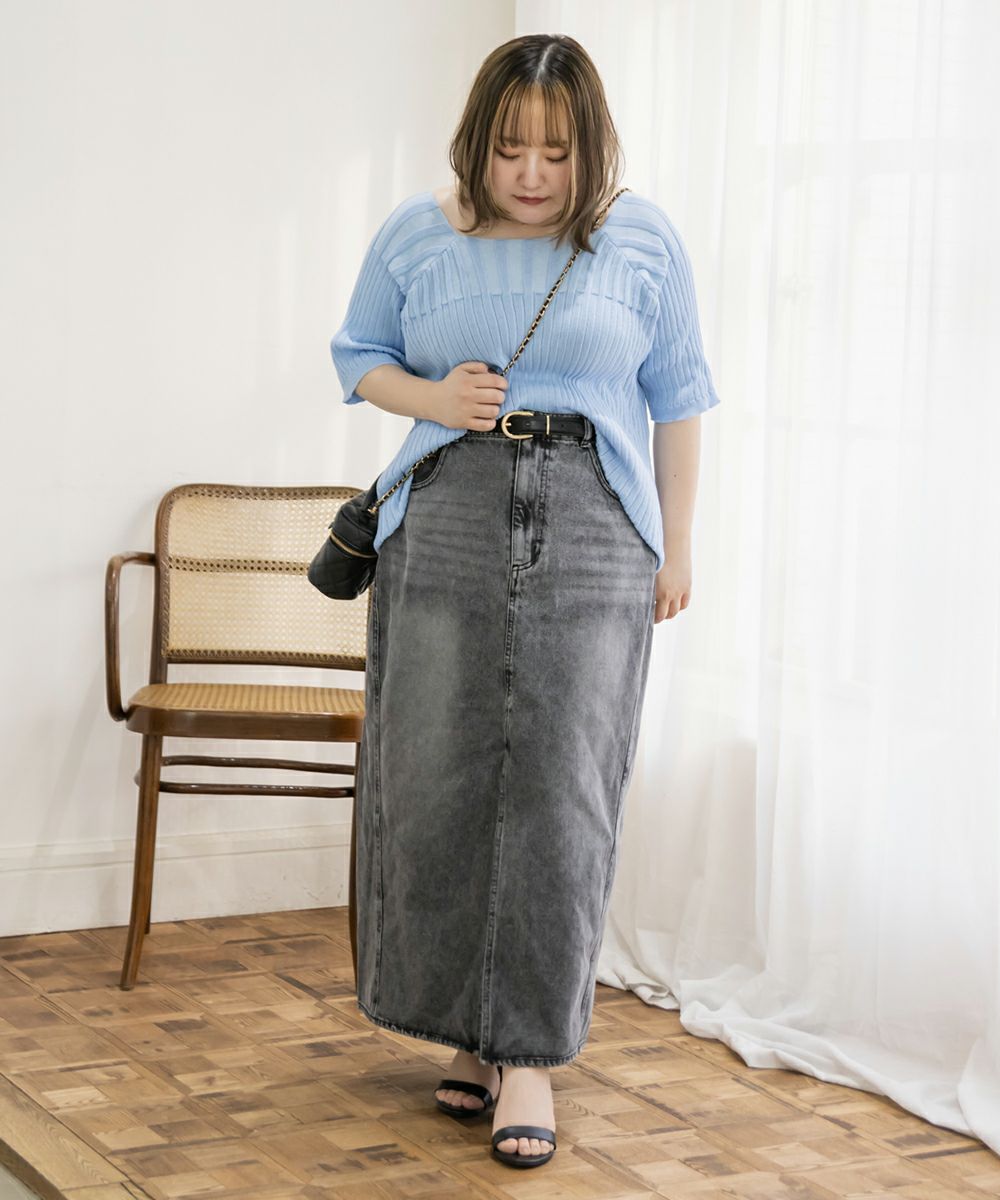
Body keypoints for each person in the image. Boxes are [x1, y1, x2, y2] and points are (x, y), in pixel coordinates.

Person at [330, 32, 720, 1170]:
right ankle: (465, 1032)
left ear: (591, 146)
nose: (534, 173)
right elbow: (358, 355)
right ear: (477, 144)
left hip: (597, 526)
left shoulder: (641, 241)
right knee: (437, 777)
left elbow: (680, 396)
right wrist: (432, 398)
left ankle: (531, 1054)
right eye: (510, 149)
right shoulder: (419, 234)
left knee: (563, 786)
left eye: (556, 150)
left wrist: (677, 545)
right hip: (446, 512)